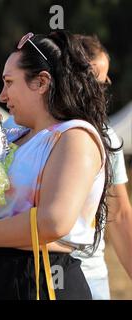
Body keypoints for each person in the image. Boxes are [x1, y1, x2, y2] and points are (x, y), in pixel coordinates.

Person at [0, 30, 114, 299]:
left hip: (40, 279)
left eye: (9, 82)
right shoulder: (6, 135)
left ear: (41, 82)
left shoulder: (75, 137)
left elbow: (53, 221)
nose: (2, 96)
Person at [70, 34, 132, 299]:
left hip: (92, 277)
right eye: (91, 82)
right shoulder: (24, 130)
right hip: (33, 276)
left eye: (102, 83)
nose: (98, 91)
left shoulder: (106, 136)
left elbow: (119, 215)